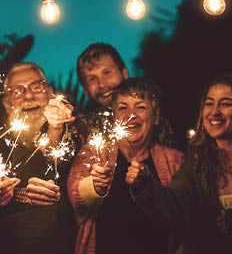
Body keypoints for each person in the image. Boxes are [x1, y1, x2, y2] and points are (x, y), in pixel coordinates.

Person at [128, 75, 232, 254]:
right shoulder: (197, 164)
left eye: (225, 103)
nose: (214, 112)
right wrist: (145, 184)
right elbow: (173, 206)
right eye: (209, 103)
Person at [67, 78, 184, 254]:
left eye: (141, 107)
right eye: (123, 108)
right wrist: (93, 187)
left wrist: (146, 186)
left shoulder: (176, 160)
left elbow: (181, 215)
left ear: (156, 116)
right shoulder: (94, 153)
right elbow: (77, 200)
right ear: (114, 117)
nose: (131, 114)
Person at [0, 62, 76, 254]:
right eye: (18, 91)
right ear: (7, 103)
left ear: (50, 92)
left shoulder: (74, 132)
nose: (28, 96)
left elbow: (57, 151)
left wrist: (56, 126)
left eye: (36, 87)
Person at [75, 43, 175, 146]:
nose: (102, 84)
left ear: (125, 73)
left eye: (107, 72)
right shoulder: (80, 127)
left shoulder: (155, 124)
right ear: (85, 89)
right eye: (92, 79)